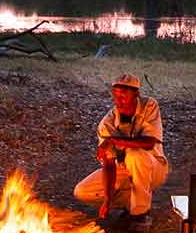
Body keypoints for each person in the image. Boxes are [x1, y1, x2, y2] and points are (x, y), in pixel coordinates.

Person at [72, 73, 169, 223]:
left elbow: (149, 143)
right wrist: (107, 200)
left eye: (124, 95)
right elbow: (109, 164)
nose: (119, 101)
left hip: (153, 167)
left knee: (135, 155)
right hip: (123, 169)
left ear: (137, 93)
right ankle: (131, 202)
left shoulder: (149, 105)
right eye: (115, 96)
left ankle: (139, 215)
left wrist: (113, 140)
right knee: (82, 191)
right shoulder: (107, 123)